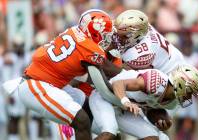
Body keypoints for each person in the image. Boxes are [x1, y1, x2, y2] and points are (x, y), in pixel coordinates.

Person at [2, 9, 120, 140]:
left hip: (53, 84)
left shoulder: (74, 31)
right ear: (94, 32)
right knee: (82, 120)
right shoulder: (89, 47)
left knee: (87, 108)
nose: (108, 38)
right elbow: (111, 73)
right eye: (105, 34)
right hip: (37, 85)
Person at [89, 9, 186, 140]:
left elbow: (115, 74)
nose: (116, 37)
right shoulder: (139, 29)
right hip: (168, 74)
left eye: (123, 36)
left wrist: (91, 52)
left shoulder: (141, 55)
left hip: (167, 81)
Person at [90, 65, 198, 140]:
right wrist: (126, 102)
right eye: (189, 92)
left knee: (154, 137)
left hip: (123, 109)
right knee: (109, 132)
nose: (188, 96)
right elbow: (118, 84)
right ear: (180, 83)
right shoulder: (157, 82)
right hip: (105, 97)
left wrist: (162, 121)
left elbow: (149, 108)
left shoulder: (172, 102)